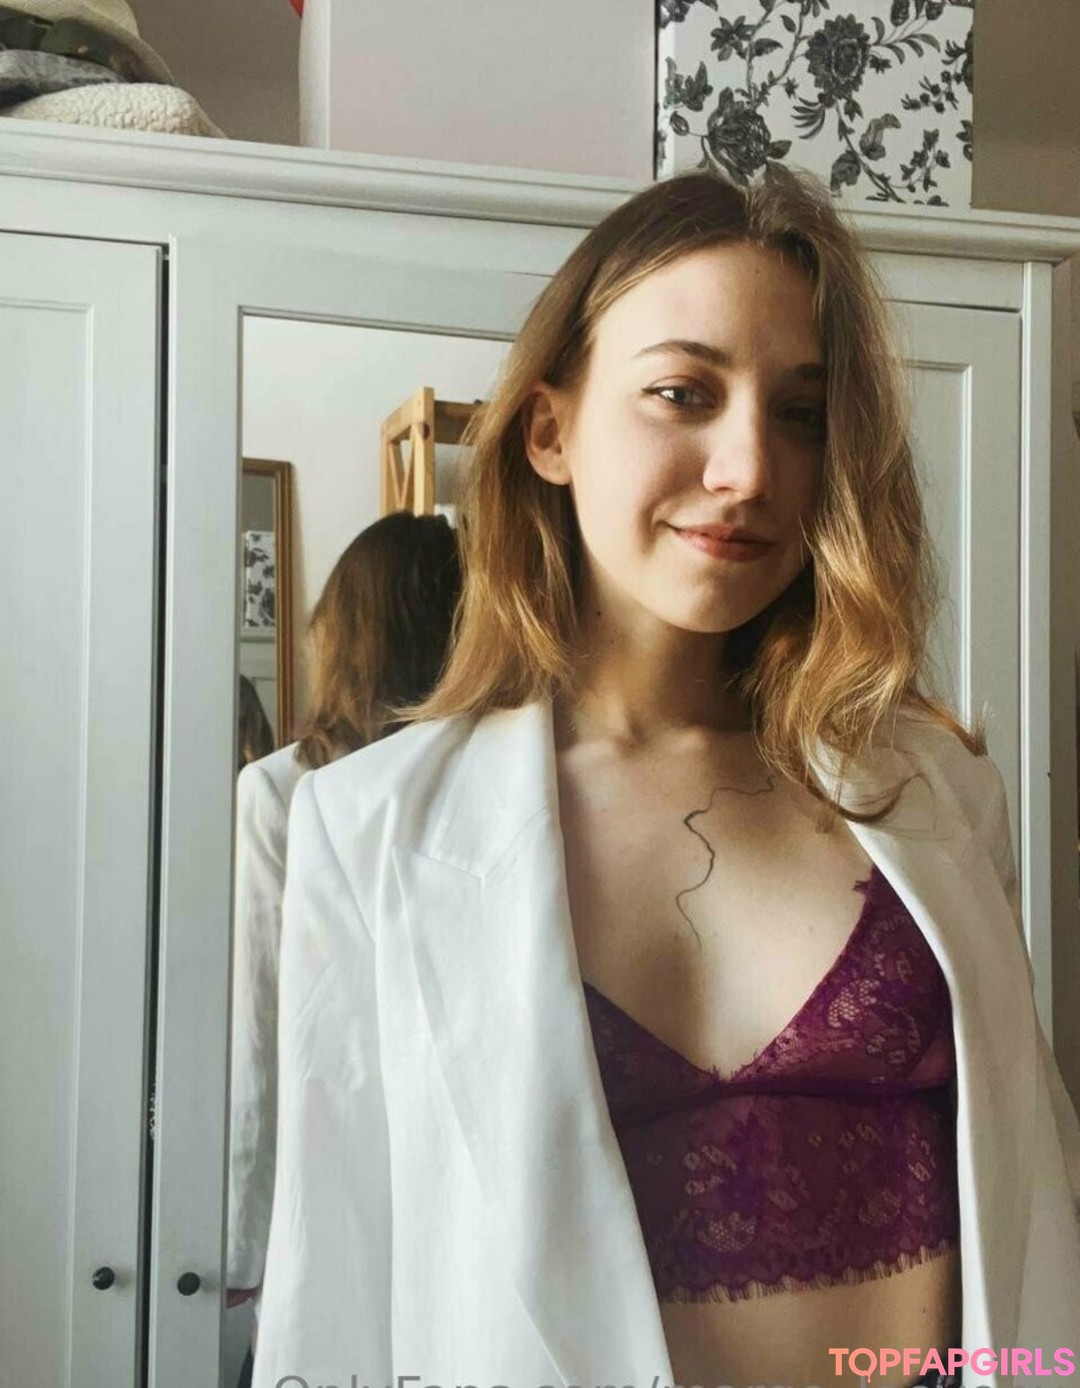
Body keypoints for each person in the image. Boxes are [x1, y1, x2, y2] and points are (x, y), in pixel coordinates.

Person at [251, 168, 1080, 1388]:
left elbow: (1032, 1186)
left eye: (801, 413)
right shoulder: (369, 829)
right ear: (549, 431)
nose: (749, 467)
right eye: (683, 392)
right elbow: (337, 1271)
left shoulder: (941, 793)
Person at [223, 512, 462, 1364]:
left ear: (343, 633)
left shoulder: (280, 790)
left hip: (329, 1149)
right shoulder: (494, 786)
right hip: (452, 1154)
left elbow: (260, 1025)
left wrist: (242, 1240)